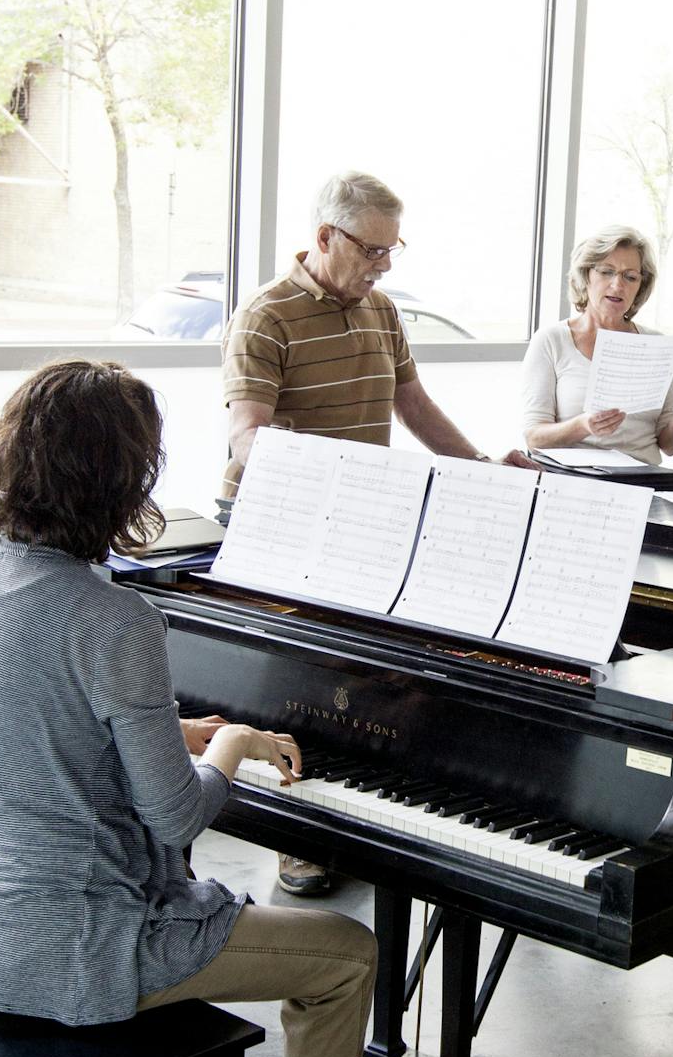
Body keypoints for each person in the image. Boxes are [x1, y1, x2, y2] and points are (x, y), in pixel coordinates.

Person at [0, 361, 440, 1057]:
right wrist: (230, 743)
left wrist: (176, 732)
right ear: (118, 479)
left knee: (173, 886)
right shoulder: (113, 616)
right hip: (80, 949)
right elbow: (177, 817)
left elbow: (33, 732)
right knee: (344, 952)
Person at [221, 169, 532, 897]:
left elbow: (414, 406)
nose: (383, 265)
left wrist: (485, 468)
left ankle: (359, 812)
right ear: (324, 237)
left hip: (364, 527)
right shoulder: (264, 316)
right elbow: (246, 437)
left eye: (393, 251)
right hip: (281, 528)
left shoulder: (382, 310)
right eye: (371, 250)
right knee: (298, 684)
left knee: (359, 685)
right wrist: (324, 482)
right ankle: (296, 839)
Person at [521, 225, 673, 465]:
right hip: (573, 479)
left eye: (630, 277)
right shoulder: (551, 340)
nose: (617, 285)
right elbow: (534, 437)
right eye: (606, 272)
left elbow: (669, 446)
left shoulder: (656, 345)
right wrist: (582, 425)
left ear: (640, 286)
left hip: (642, 480)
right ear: (585, 276)